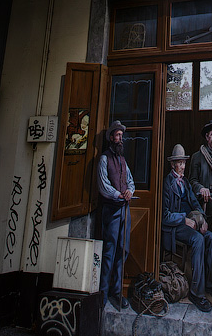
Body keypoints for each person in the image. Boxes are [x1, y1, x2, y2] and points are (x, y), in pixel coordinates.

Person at [162, 144, 212, 312]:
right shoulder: (167, 184)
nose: (182, 166)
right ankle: (197, 292)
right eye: (179, 163)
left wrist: (202, 219)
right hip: (175, 227)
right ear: (172, 164)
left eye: (184, 163)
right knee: (198, 239)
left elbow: (195, 203)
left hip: (191, 222)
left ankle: (210, 284)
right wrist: (183, 220)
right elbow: (164, 216)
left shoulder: (185, 182)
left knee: (210, 236)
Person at [97, 120, 135, 312]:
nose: (120, 138)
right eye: (118, 135)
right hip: (111, 210)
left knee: (123, 250)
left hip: (124, 210)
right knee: (109, 252)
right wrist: (118, 195)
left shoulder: (123, 160)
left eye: (121, 135)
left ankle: (117, 292)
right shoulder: (104, 159)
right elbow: (103, 185)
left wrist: (129, 191)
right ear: (111, 137)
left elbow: (130, 181)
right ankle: (103, 294)